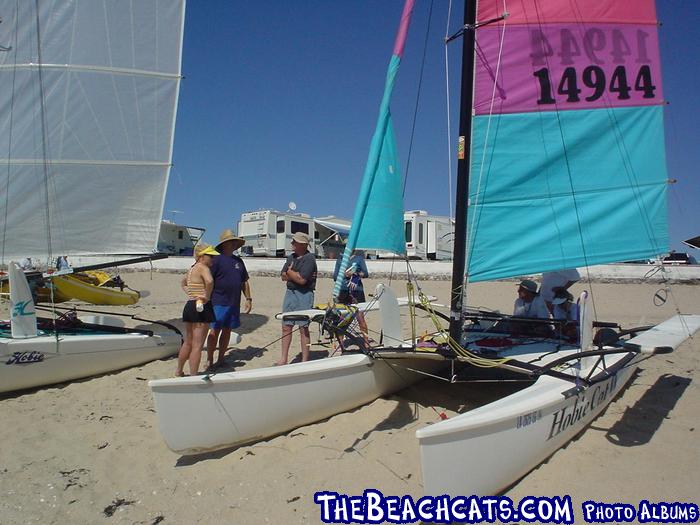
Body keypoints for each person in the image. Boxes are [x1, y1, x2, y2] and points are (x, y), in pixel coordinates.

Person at [205, 229, 251, 370]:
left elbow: (244, 281)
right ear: (225, 243)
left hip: (233, 302)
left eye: (234, 241)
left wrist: (248, 298)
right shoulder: (215, 260)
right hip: (218, 301)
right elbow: (207, 280)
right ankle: (209, 359)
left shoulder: (238, 261)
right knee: (214, 331)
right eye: (231, 241)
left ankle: (221, 359)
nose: (233, 244)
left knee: (227, 331)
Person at [175, 244, 218, 377]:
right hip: (201, 306)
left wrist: (191, 293)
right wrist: (207, 296)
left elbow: (183, 283)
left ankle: (179, 371)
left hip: (190, 304)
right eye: (210, 256)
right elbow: (210, 281)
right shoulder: (203, 267)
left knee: (188, 341)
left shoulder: (192, 268)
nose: (212, 259)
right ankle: (193, 375)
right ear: (201, 256)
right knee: (197, 345)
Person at [277, 232, 317, 365]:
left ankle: (305, 360)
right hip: (290, 293)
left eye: (295, 242)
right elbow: (282, 276)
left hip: (304, 295)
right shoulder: (291, 257)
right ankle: (283, 358)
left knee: (303, 327)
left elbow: (302, 280)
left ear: (302, 244)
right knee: (286, 326)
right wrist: (292, 275)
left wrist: (290, 272)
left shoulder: (309, 258)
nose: (292, 244)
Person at [332, 249, 370, 344]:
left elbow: (365, 273)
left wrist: (355, 273)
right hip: (343, 289)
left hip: (356, 290)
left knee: (360, 316)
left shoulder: (359, 259)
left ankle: (366, 342)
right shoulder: (340, 259)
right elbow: (335, 276)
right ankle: (341, 343)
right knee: (341, 317)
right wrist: (344, 274)